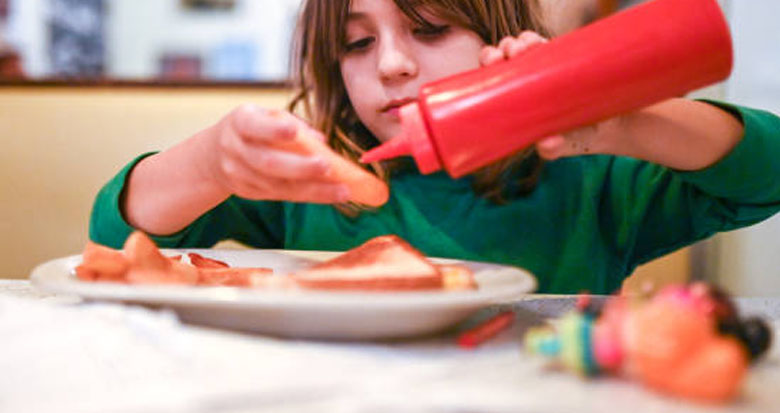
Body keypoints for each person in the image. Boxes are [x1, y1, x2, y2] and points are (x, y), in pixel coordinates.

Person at [89, 0, 780, 294]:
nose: (390, 64)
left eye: (430, 27)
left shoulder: (593, 176)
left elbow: (767, 171)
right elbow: (117, 231)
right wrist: (212, 162)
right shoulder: (307, 183)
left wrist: (619, 125)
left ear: (497, 31)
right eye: (356, 43)